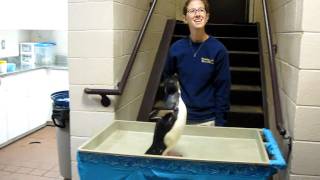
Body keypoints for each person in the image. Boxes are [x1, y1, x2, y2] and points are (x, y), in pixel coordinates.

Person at [163, 0, 231, 126]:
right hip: (181, 118)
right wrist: (172, 103)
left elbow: (223, 90)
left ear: (207, 17)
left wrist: (220, 122)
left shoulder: (218, 50)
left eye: (201, 10)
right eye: (192, 11)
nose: (197, 14)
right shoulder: (176, 48)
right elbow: (167, 77)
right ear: (185, 18)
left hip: (209, 119)